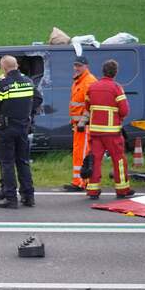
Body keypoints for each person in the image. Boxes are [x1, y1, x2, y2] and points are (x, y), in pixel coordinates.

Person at [0, 55, 42, 209]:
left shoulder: (4, 85)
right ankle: (28, 197)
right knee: (23, 162)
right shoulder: (29, 82)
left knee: (7, 163)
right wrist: (27, 113)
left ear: (3, 68)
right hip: (23, 127)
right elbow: (38, 99)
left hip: (7, 128)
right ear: (17, 65)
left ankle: (11, 198)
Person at [82, 58, 135, 200]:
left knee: (95, 160)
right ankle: (122, 190)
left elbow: (87, 108)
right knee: (118, 160)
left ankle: (93, 191)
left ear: (103, 71)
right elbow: (124, 110)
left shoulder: (92, 87)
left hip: (95, 131)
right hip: (112, 132)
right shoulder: (116, 88)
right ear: (115, 73)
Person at [65, 55, 98, 191]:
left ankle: (82, 182)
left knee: (84, 154)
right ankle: (78, 181)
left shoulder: (89, 82)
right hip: (78, 125)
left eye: (79, 65)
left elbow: (90, 106)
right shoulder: (79, 81)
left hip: (84, 126)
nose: (76, 68)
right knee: (79, 153)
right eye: (75, 65)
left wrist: (82, 122)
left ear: (86, 66)